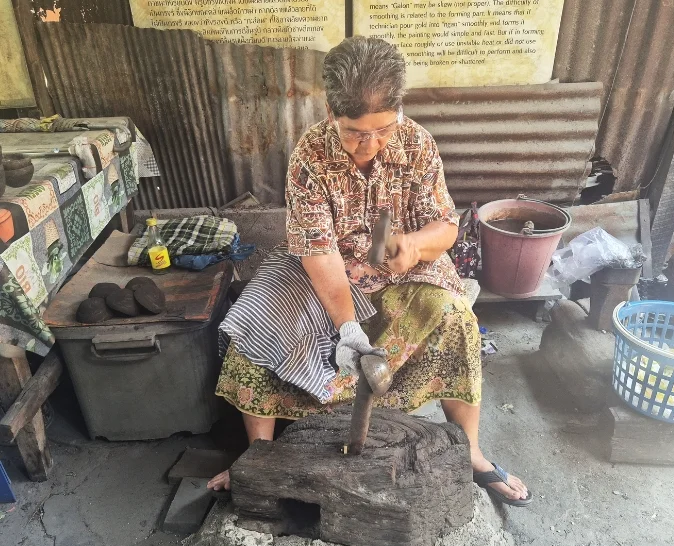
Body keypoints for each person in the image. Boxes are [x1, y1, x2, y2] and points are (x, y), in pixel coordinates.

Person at [208, 36, 531, 506]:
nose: (371, 144)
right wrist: (347, 327)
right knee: (254, 321)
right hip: (328, 268)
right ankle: (259, 457)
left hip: (403, 271)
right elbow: (319, 255)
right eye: (355, 132)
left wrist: (415, 245)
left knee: (457, 318)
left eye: (383, 129)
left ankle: (472, 453)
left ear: (398, 111)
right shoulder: (309, 157)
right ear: (331, 112)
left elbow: (445, 227)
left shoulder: (417, 143)